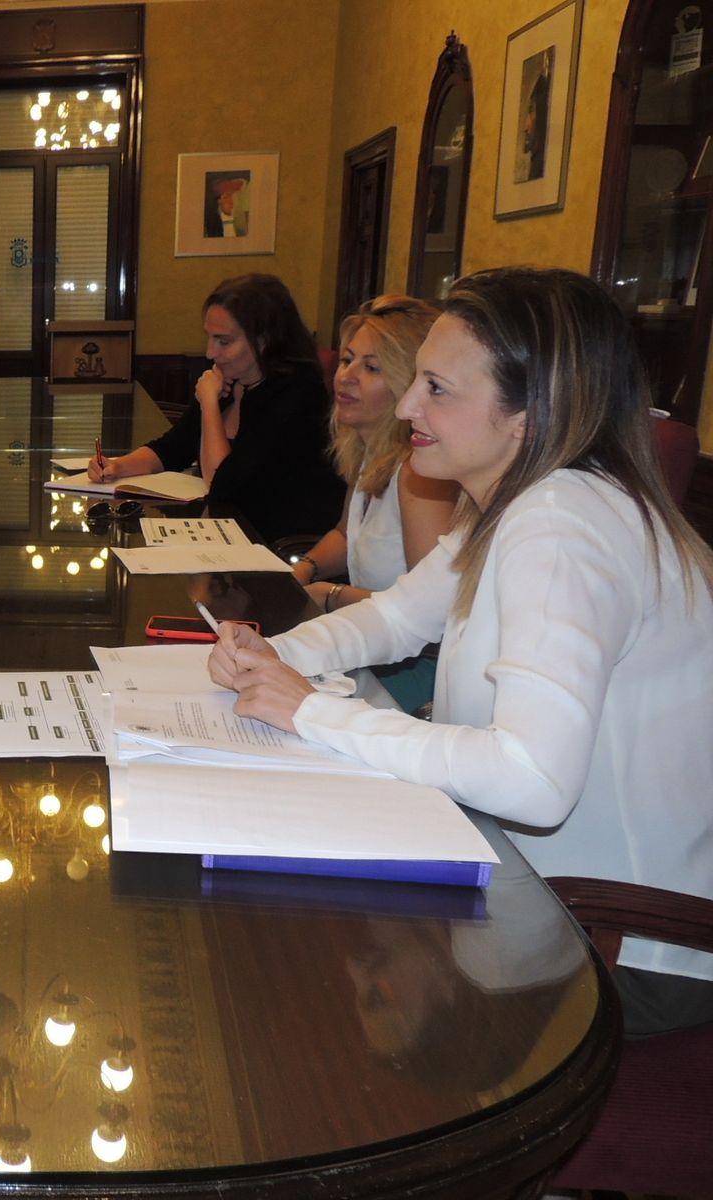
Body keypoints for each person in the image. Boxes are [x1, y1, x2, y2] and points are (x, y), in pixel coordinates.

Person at [209, 266, 713, 1035]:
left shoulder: (561, 523)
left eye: (436, 388)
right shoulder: (525, 501)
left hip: (624, 944)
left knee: (279, 911)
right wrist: (270, 654)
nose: (408, 404)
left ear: (527, 413)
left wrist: (310, 711)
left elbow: (534, 779)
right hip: (540, 887)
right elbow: (393, 621)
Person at [291, 296, 459, 710]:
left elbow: (434, 615)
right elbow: (344, 533)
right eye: (347, 360)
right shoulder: (371, 451)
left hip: (418, 674)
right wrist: (303, 569)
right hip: (375, 651)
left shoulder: (418, 475)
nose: (346, 376)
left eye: (371, 368)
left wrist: (331, 595)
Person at [89, 274, 345, 544]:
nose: (210, 352)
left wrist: (209, 404)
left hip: (279, 544)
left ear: (264, 340)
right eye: (209, 338)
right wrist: (118, 466)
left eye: (223, 341)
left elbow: (223, 485)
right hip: (229, 533)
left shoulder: (297, 393)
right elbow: (172, 447)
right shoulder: (228, 379)